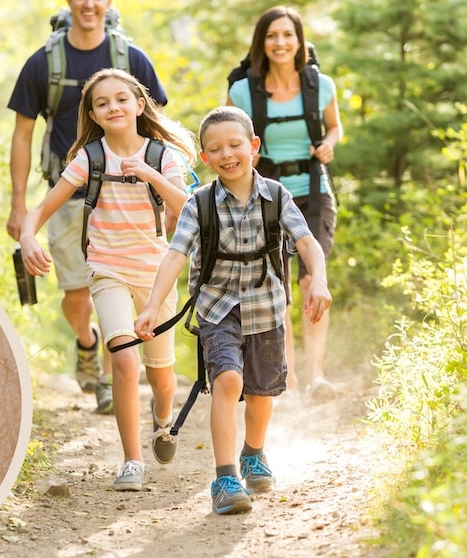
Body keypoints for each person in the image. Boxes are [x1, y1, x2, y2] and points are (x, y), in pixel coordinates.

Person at [134, 106, 332, 515]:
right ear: (204, 158)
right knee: (226, 381)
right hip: (217, 308)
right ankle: (224, 477)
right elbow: (174, 255)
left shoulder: (277, 196)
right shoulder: (199, 204)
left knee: (261, 395)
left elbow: (307, 242)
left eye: (235, 144)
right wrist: (153, 305)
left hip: (266, 308)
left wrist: (321, 281)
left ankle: (253, 453)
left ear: (254, 146)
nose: (227, 154)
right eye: (215, 149)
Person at [20, 68, 196, 492]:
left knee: (161, 376)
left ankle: (162, 418)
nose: (113, 107)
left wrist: (150, 174)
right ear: (94, 114)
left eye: (121, 99)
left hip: (156, 274)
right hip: (107, 269)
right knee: (122, 359)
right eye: (102, 103)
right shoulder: (90, 158)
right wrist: (28, 236)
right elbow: (40, 210)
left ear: (139, 105)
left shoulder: (162, 156)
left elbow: (187, 209)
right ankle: (132, 461)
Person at [7, 0, 169, 414]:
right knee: (77, 295)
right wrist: (20, 205)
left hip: (128, 196)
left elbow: (157, 129)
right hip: (70, 189)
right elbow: (22, 136)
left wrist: (167, 197)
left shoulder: (131, 58)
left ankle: (114, 382)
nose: (90, 4)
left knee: (119, 292)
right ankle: (86, 343)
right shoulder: (43, 63)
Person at [227, 5, 342, 401]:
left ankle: (316, 375)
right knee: (277, 286)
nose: (280, 43)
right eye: (272, 36)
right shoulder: (243, 91)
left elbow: (335, 126)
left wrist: (328, 144)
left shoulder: (320, 85)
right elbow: (233, 137)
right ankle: (287, 378)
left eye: (287, 35)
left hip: (313, 188)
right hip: (266, 194)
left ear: (299, 41)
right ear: (262, 43)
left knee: (312, 277)